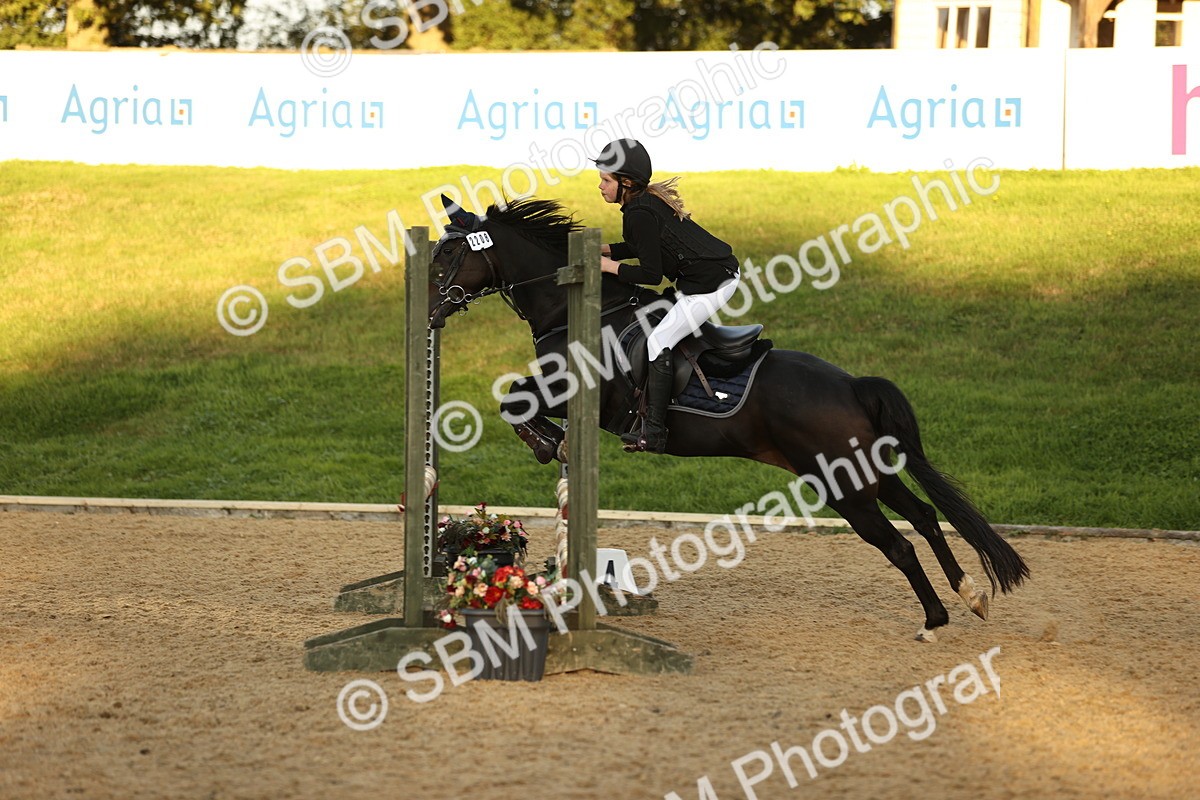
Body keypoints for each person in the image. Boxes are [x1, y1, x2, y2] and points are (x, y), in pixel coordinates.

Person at [593, 138, 741, 454]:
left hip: (712, 284)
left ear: (626, 182)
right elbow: (641, 247)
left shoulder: (639, 213)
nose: (600, 186)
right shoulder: (640, 204)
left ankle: (655, 432)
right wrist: (606, 250)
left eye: (606, 180)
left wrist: (608, 266)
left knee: (659, 341)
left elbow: (650, 274)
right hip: (701, 278)